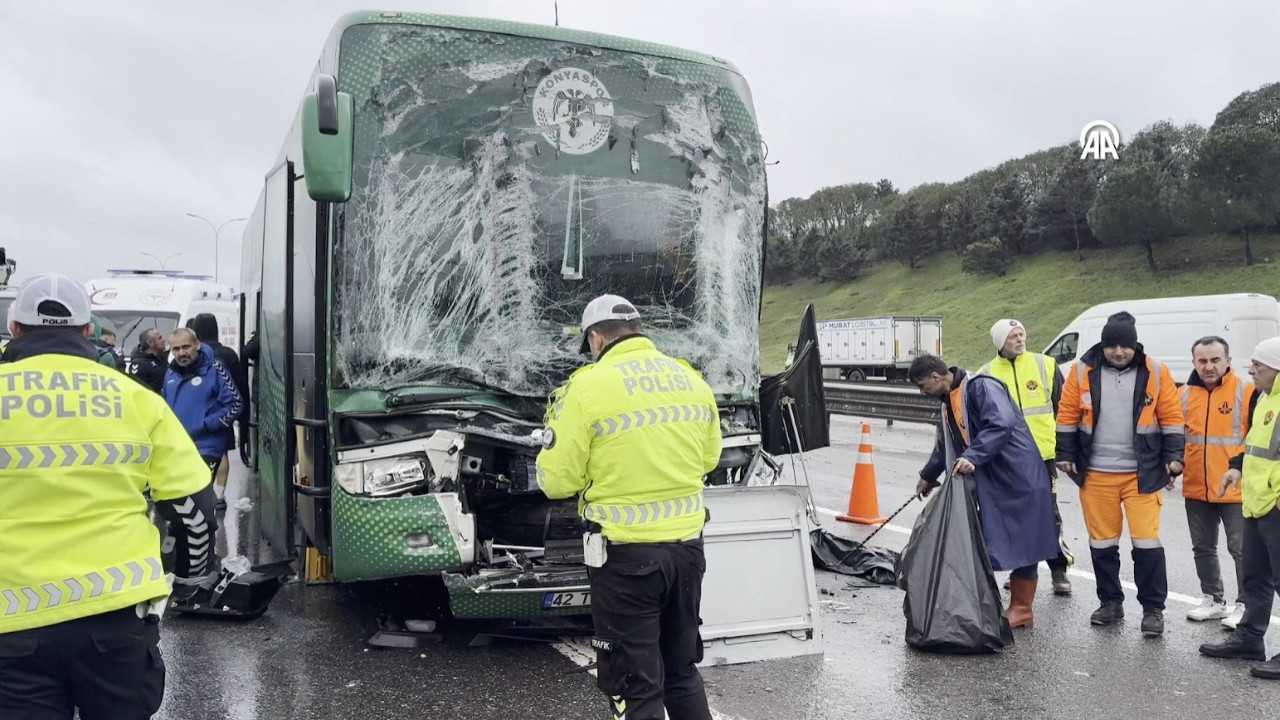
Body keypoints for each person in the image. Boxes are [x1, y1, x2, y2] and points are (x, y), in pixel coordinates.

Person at [0, 273, 217, 719]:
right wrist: (191, 580)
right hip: (115, 621)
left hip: (11, 627)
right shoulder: (136, 401)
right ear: (87, 332)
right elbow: (195, 506)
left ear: (14, 328)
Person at [536, 294, 721, 720]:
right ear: (638, 330)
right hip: (688, 555)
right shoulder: (689, 379)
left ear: (596, 338)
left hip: (626, 562)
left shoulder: (585, 387)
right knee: (680, 672)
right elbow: (708, 459)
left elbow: (556, 481)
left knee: (637, 688)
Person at [1056, 311, 1184, 637]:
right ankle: (1110, 603)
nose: (1118, 351)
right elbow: (1068, 413)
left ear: (1134, 345)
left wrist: (1173, 458)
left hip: (1141, 474)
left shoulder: (1155, 371)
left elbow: (1171, 417)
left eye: (1124, 346)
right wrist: (1066, 453)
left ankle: (1153, 609)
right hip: (1096, 474)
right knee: (1102, 544)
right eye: (1111, 345)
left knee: (1147, 543)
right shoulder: (1082, 370)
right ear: (1103, 344)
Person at [912, 353, 1059, 629]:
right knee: (986, 539)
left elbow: (1000, 423)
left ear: (935, 376)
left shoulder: (980, 387)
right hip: (994, 479)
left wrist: (974, 456)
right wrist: (928, 476)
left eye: (922, 385)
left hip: (1018, 475)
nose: (922, 392)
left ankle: (1021, 609)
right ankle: (990, 603)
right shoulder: (948, 402)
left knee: (1025, 542)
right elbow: (947, 444)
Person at [1198, 336, 1280, 678]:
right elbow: (1254, 444)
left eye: (1258, 365)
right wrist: (1236, 466)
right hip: (1257, 504)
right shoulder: (1263, 398)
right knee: (1256, 578)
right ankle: (1249, 639)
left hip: (1274, 505)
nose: (1252, 370)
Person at [980, 318, 1074, 596]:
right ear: (1000, 343)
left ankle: (1059, 571)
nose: (1019, 340)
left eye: (1021, 334)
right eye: (1012, 336)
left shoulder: (1045, 365)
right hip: (1008, 459)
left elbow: (1064, 408)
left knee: (1049, 514)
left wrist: (1064, 449)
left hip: (1043, 456)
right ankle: (1021, 570)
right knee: (1015, 516)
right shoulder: (986, 373)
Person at [1179, 336, 1257, 628]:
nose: (1208, 366)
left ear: (1227, 361)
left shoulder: (1246, 391)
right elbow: (1178, 437)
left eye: (1215, 360)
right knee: (1202, 547)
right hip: (1197, 486)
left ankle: (1245, 604)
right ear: (1194, 362)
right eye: (1202, 360)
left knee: (1240, 549)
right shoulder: (1184, 394)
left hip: (1235, 488)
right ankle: (1213, 599)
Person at [163, 327, 243, 510]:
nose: (182, 353)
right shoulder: (170, 374)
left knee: (198, 501)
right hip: (180, 447)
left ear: (197, 345)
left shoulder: (216, 369)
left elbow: (235, 404)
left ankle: (206, 533)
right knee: (181, 505)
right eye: (176, 349)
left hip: (207, 446)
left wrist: (206, 424)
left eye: (186, 347)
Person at [188, 314, 247, 503]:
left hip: (197, 413)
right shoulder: (228, 354)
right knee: (222, 454)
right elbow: (240, 384)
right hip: (223, 412)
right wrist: (242, 415)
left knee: (197, 454)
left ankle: (200, 494)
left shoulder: (194, 354)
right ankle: (219, 496)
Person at [127, 328, 168, 394]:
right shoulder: (139, 364)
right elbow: (136, 390)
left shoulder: (163, 358)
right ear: (150, 343)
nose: (164, 340)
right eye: (159, 338)